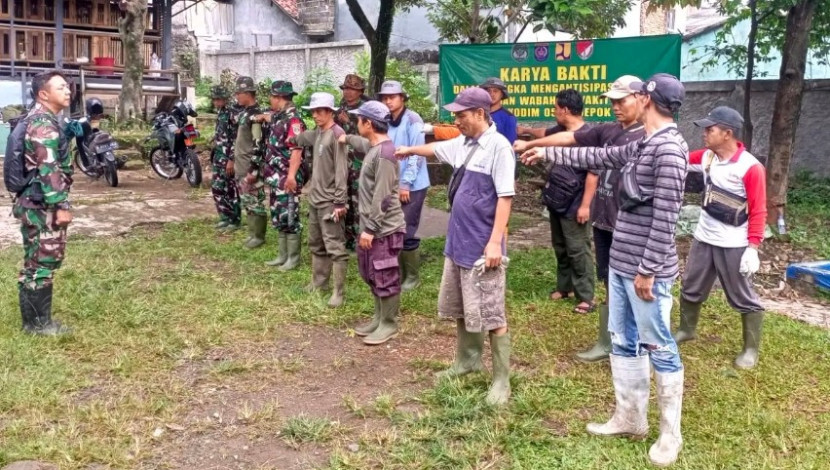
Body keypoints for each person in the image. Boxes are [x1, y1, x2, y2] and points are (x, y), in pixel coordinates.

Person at [522, 73, 688, 467]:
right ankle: (630, 417)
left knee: (658, 344)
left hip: (647, 271)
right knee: (622, 339)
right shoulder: (643, 140)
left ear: (646, 99)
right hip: (622, 264)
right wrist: (547, 152)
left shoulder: (669, 149)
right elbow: (597, 157)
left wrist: (647, 269)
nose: (617, 103)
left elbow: (667, 217)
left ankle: (670, 435)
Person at [395, 87, 515, 406]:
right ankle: (467, 361)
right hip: (458, 241)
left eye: (461, 114)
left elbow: (505, 198)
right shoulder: (463, 143)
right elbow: (435, 149)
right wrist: (408, 150)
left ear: (480, 113)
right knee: (462, 306)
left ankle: (502, 380)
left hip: (482, 245)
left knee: (491, 312)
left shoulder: (498, 148)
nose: (456, 119)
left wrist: (494, 243)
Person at [514, 76, 646, 362]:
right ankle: (609, 340)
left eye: (621, 101)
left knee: (631, 282)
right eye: (612, 102)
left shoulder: (644, 136)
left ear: (642, 99)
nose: (615, 107)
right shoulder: (608, 130)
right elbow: (569, 138)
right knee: (610, 278)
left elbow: (592, 164)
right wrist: (534, 146)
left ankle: (637, 344)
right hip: (606, 218)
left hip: (631, 221)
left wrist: (584, 202)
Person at [675, 106, 766, 369]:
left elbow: (759, 208)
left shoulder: (750, 167)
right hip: (704, 237)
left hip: (733, 243)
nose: (705, 133)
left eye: (710, 129)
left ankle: (750, 349)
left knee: (742, 295)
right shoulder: (706, 157)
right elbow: (679, 159)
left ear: (727, 133)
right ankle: (686, 330)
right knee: (691, 286)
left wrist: (753, 248)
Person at [517, 89, 597, 313]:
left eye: (555, 108)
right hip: (557, 197)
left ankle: (586, 296)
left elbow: (593, 174)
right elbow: (543, 132)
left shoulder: (588, 136)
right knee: (560, 245)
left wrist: (585, 205)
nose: (553, 112)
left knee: (578, 248)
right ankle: (565, 287)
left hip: (576, 202)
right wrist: (526, 131)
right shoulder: (560, 130)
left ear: (565, 110)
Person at [338, 101, 406, 345]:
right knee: (372, 274)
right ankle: (379, 317)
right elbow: (359, 142)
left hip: (383, 229)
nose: (357, 124)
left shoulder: (385, 154)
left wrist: (370, 229)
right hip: (372, 227)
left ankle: (389, 324)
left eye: (359, 120)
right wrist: (344, 138)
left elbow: (384, 196)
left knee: (384, 274)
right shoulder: (373, 147)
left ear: (368, 123)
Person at [14, 70, 74, 335]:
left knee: (34, 261)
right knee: (43, 262)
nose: (68, 91)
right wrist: (61, 206)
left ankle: (33, 322)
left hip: (32, 202)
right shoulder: (43, 124)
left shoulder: (40, 119)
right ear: (43, 94)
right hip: (42, 205)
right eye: (60, 87)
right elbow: (48, 168)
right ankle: (38, 325)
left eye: (67, 87)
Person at [287, 92, 349, 308]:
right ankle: (318, 282)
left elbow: (342, 171)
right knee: (316, 243)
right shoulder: (318, 133)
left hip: (330, 201)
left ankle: (338, 292)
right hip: (315, 198)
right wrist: (292, 137)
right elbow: (302, 138)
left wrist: (340, 201)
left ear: (330, 112)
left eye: (320, 111)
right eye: (313, 111)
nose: (315, 115)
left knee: (335, 246)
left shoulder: (337, 135)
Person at [377, 80, 429, 291]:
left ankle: (412, 277)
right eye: (385, 98)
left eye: (392, 97)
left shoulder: (413, 119)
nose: (388, 101)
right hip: (392, 182)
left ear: (402, 98)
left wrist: (406, 183)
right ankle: (397, 271)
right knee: (393, 227)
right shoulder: (386, 120)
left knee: (407, 228)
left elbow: (417, 152)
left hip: (412, 185)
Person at [252, 81, 308, 271]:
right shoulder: (279, 116)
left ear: (279, 98)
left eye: (271, 97)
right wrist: (262, 117)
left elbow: (297, 151)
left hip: (287, 178)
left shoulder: (293, 120)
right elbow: (268, 118)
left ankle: (293, 258)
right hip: (276, 178)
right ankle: (282, 255)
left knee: (290, 216)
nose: (269, 100)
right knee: (279, 215)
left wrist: (292, 176)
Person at [336, 74, 371, 251]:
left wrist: (349, 122)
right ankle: (347, 239)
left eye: (352, 89)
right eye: (346, 89)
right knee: (344, 200)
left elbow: (367, 137)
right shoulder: (340, 107)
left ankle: (360, 241)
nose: (348, 92)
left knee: (359, 203)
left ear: (360, 91)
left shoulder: (365, 110)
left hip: (359, 163)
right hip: (343, 162)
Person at [233, 76, 267, 249]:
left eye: (239, 93)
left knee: (255, 201)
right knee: (247, 201)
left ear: (248, 93)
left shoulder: (255, 115)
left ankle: (258, 236)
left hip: (249, 166)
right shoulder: (245, 112)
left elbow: (258, 144)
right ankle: (252, 233)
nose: (237, 96)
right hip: (241, 164)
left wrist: (253, 170)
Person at [209, 85, 242, 232]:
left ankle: (234, 220)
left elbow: (236, 138)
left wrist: (231, 159)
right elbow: (223, 134)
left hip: (228, 158)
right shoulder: (221, 112)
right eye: (214, 99)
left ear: (225, 98)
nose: (216, 102)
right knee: (217, 187)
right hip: (219, 157)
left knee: (230, 190)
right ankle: (225, 216)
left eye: (219, 99)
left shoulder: (232, 113)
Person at [480, 78, 517, 144]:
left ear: (502, 94)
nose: (492, 94)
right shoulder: (479, 114)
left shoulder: (508, 117)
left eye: (495, 91)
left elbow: (510, 145)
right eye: (488, 91)